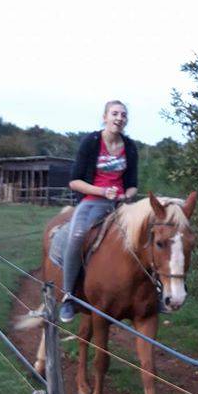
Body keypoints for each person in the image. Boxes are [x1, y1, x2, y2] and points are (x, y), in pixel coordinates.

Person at [58, 100, 138, 323]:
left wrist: (126, 195)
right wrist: (103, 192)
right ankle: (68, 296)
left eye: (123, 115)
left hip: (121, 205)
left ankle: (153, 294)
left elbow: (133, 183)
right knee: (76, 236)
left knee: (146, 238)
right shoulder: (91, 142)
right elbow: (74, 181)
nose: (119, 118)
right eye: (114, 113)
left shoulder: (130, 147)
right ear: (104, 117)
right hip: (93, 201)